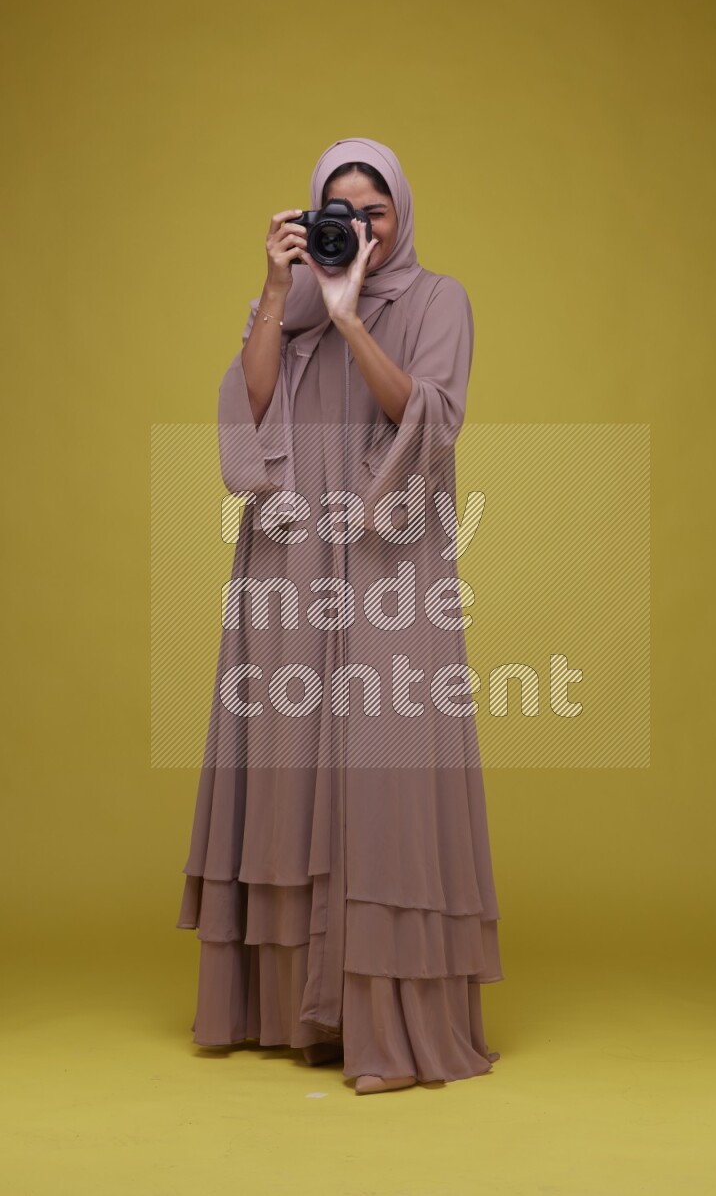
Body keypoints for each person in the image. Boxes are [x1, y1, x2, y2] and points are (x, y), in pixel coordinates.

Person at [176, 136, 503, 1095]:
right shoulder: (289, 303)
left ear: (401, 217)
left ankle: (387, 1015)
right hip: (290, 556)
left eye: (375, 212)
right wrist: (279, 293)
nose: (357, 228)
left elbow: (428, 420)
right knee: (287, 760)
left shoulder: (438, 300)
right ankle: (293, 1013)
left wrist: (353, 317)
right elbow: (249, 410)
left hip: (389, 553)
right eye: (338, 211)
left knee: (387, 766)